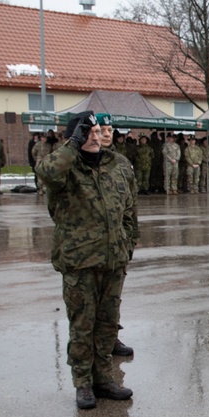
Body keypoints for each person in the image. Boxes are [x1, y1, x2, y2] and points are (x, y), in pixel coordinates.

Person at [35, 111, 136, 409]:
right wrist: (73, 142)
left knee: (106, 325)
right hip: (79, 261)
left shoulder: (115, 164)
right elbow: (47, 172)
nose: (96, 137)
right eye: (88, 132)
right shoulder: (65, 168)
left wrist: (127, 245)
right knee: (82, 325)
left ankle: (104, 379)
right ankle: (83, 384)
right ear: (75, 136)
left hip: (113, 260)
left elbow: (129, 210)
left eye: (98, 132)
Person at [97, 114, 138, 358]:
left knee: (113, 298)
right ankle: (94, 344)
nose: (106, 134)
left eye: (110, 129)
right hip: (90, 244)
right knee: (90, 299)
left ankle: (111, 337)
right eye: (102, 129)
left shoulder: (121, 163)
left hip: (118, 242)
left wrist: (132, 237)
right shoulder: (81, 161)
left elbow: (131, 204)